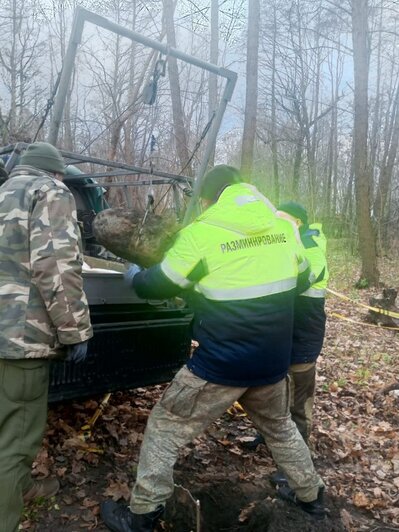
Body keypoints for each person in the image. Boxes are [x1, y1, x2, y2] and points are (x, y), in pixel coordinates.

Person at [100, 165, 326, 532]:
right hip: (272, 362)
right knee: (281, 428)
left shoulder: (200, 234)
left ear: (207, 198)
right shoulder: (283, 228)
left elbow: (158, 285)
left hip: (221, 365)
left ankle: (142, 514)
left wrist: (133, 276)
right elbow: (301, 277)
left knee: (165, 426)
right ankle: (312, 497)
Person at [0, 142, 93, 532]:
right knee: (16, 441)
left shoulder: (2, 192)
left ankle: (22, 488)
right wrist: (75, 331)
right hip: (22, 337)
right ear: (55, 173)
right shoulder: (50, 193)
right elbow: (55, 265)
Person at [248, 202, 328, 487]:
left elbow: (302, 279)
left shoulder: (312, 247)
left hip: (304, 335)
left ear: (299, 222)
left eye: (285, 220)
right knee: (276, 390)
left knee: (300, 400)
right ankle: (269, 437)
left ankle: (298, 463)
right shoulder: (282, 243)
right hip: (283, 332)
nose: (277, 224)